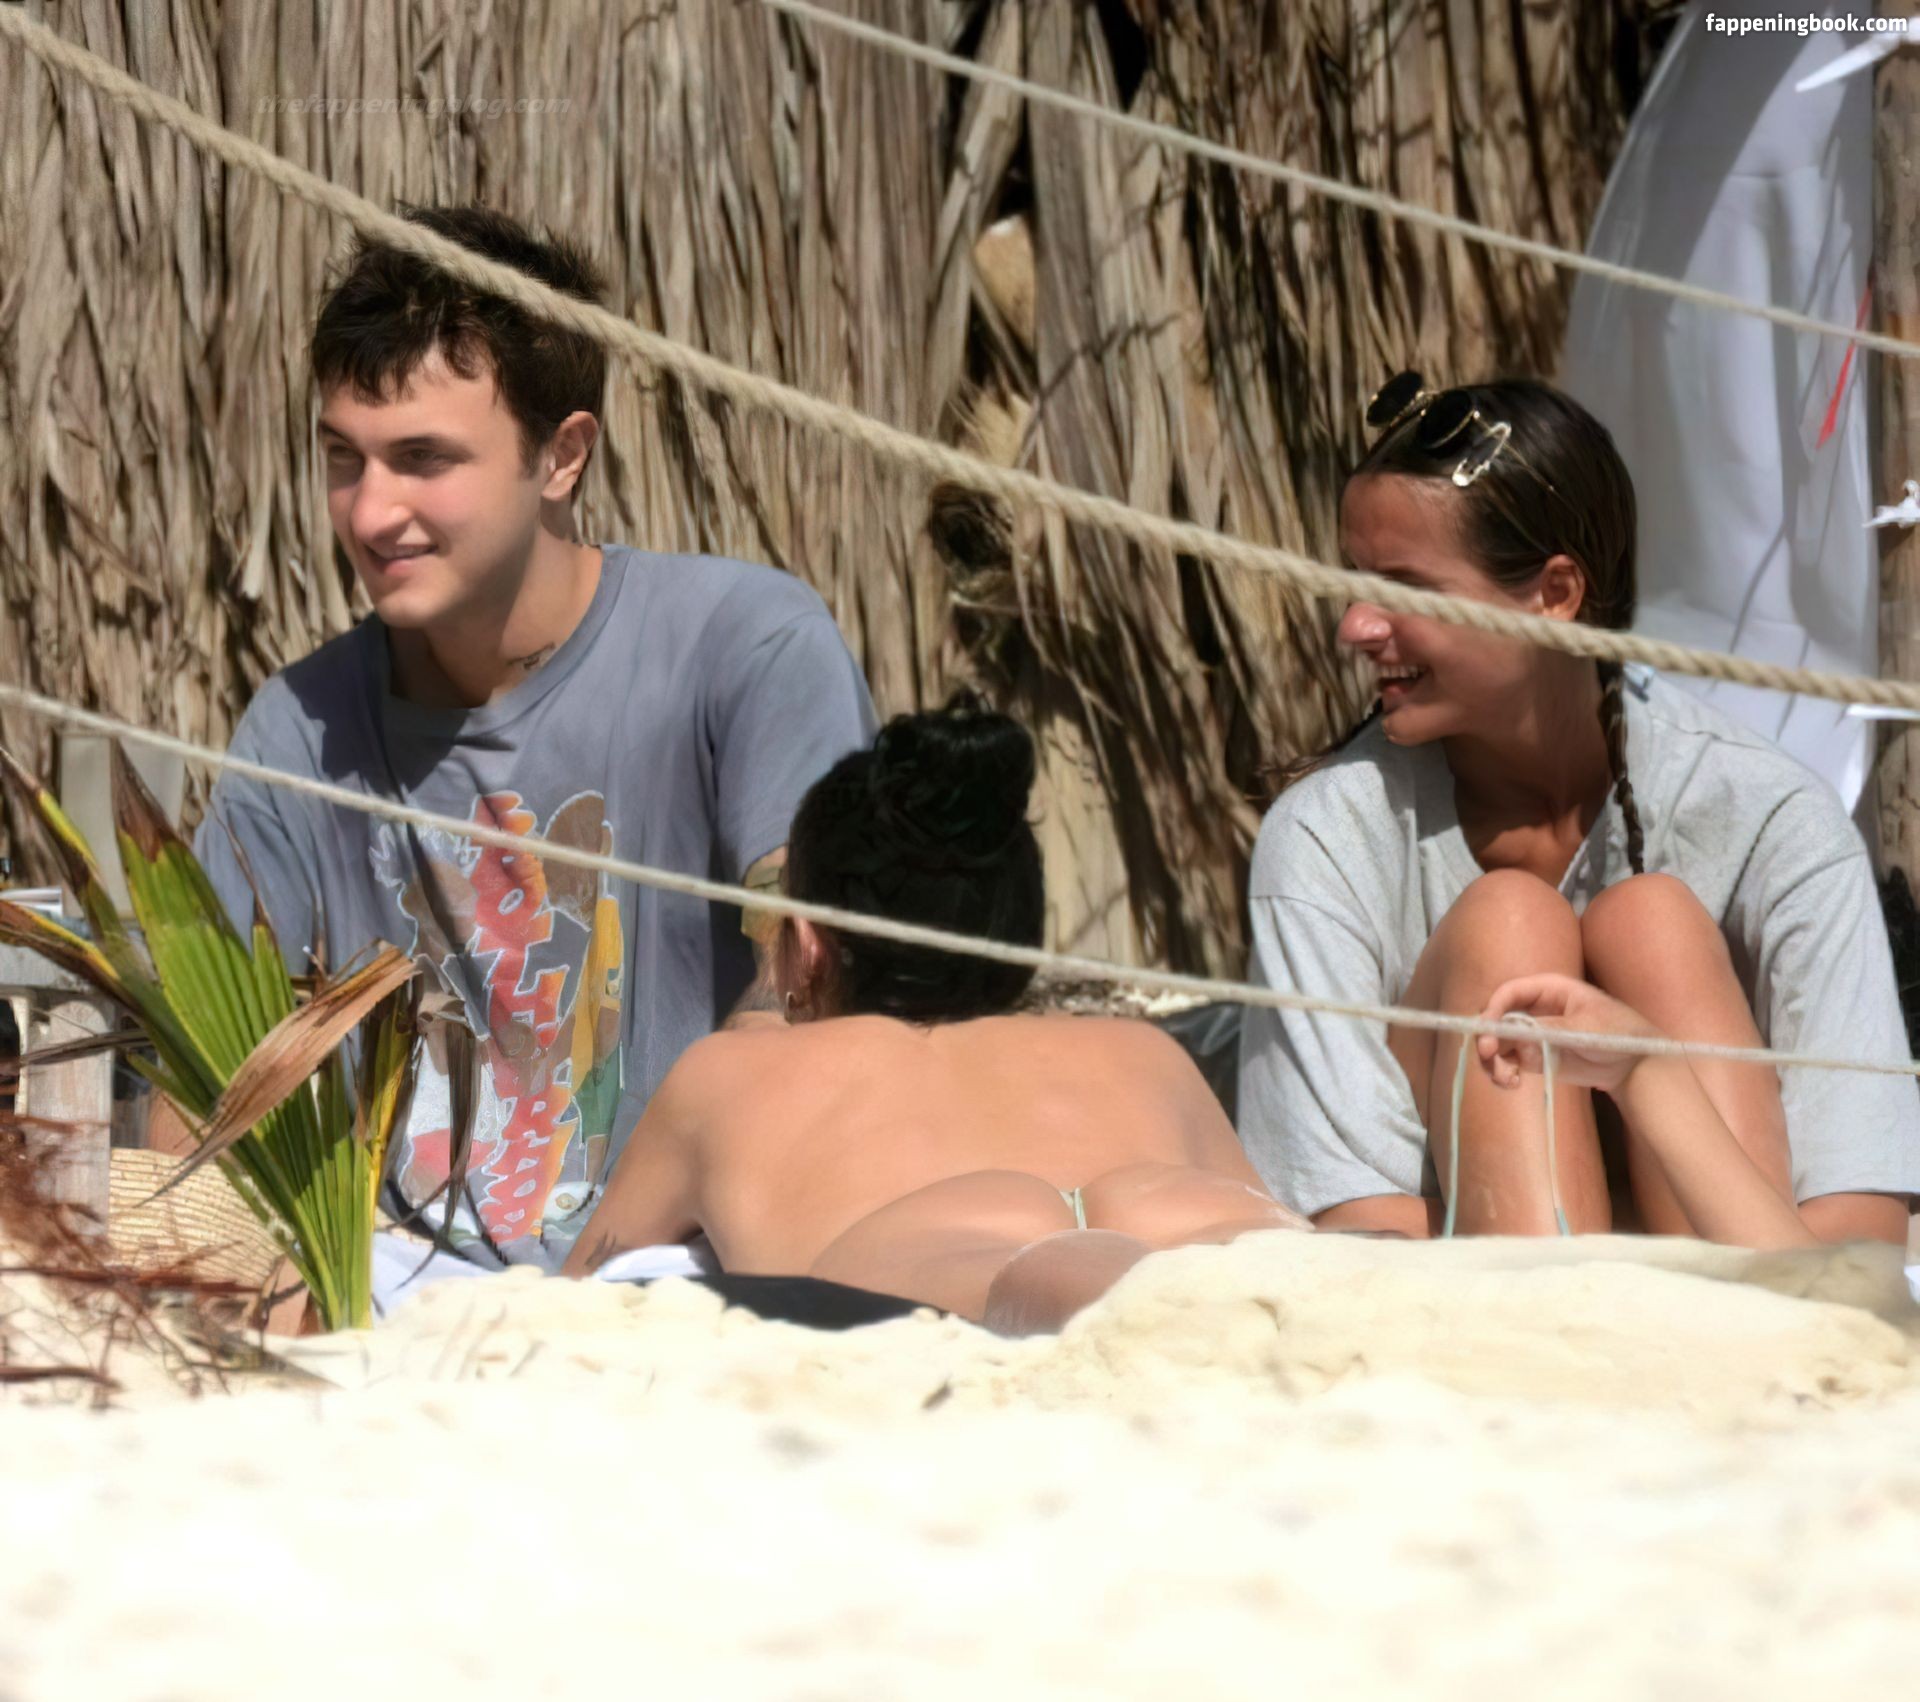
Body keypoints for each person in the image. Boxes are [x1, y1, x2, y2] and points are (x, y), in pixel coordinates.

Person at [194, 205, 875, 1270]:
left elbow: (807, 993)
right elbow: (202, 1071)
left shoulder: (745, 648)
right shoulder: (298, 730)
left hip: (681, 1271)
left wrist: (590, 1283)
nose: (369, 514)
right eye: (344, 459)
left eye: (423, 458)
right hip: (383, 1288)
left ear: (562, 456)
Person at [1236, 372, 1920, 1248]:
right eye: (1355, 584)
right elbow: (1352, 1230)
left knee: (1653, 923)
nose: (1354, 628)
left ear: (1556, 594)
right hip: (1469, 1310)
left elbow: (1860, 1229)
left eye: (1404, 589)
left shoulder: (1769, 815)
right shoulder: (1324, 839)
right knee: (1510, 923)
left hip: (1747, 1304)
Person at [563, 704, 1306, 1332]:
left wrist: (765, 1012)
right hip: (1239, 1266)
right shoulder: (1147, 1053)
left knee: (1044, 1291)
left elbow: (568, 1309)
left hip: (941, 1299)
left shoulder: (727, 1075)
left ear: (810, 941)